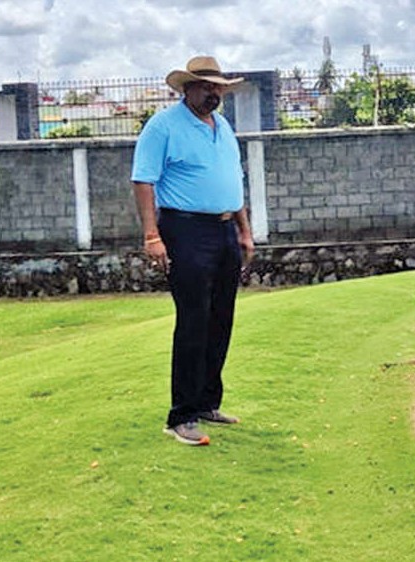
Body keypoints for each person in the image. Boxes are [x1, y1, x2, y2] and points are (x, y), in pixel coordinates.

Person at [131, 56, 254, 446]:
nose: (213, 93)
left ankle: (206, 403)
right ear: (187, 88)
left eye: (218, 87)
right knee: (193, 320)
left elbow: (233, 182)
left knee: (221, 318)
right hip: (185, 230)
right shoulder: (163, 126)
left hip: (225, 230)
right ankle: (181, 416)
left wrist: (244, 230)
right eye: (206, 86)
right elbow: (144, 180)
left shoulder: (223, 126)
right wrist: (152, 236)